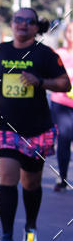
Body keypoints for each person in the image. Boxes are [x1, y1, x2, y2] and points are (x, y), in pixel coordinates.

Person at [0, 7, 71, 241]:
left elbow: (65, 83)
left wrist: (41, 82)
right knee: (6, 177)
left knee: (31, 183)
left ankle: (31, 227)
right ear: (12, 23)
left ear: (36, 27)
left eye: (29, 21)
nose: (22, 24)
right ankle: (7, 236)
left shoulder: (45, 54)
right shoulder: (2, 50)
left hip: (36, 129)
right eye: (18, 20)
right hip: (7, 127)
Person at [51, 20, 73, 190]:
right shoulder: (58, 54)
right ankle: (63, 178)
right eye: (70, 31)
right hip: (61, 104)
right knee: (64, 139)